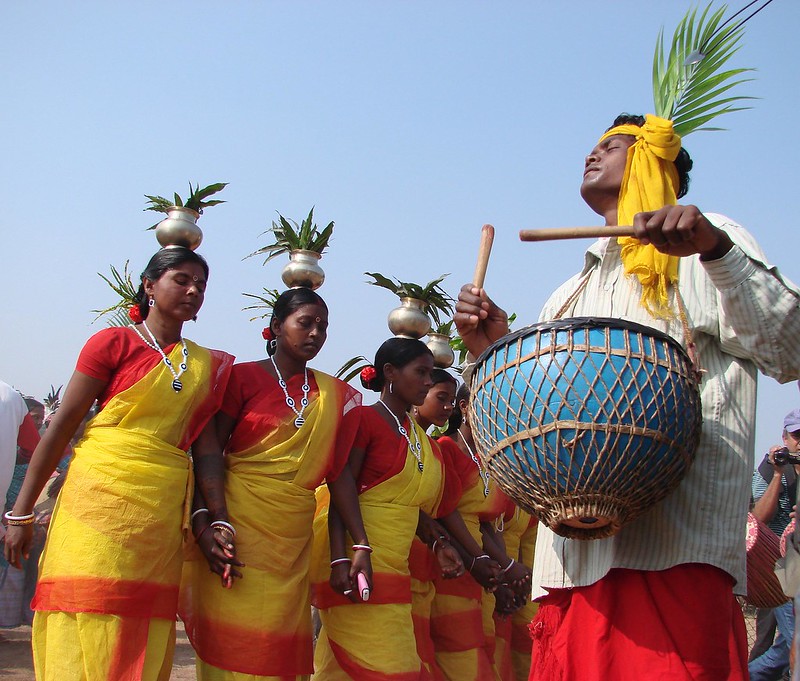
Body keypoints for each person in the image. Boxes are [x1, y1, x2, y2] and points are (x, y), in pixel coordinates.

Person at [455, 113, 800, 680]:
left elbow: (789, 347)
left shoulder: (708, 249)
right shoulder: (568, 296)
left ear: (651, 162)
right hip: (569, 569)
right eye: (591, 146)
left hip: (674, 555)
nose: (592, 154)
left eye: (612, 146)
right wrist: (491, 352)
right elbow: (523, 434)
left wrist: (713, 250)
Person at [3, 246, 235, 680]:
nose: (193, 290)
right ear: (149, 285)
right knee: (86, 604)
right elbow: (59, 430)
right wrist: (20, 514)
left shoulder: (203, 364)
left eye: (201, 285)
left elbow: (205, 450)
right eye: (181, 280)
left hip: (159, 517)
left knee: (140, 617)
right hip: (95, 506)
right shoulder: (113, 343)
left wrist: (218, 518)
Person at [179, 287, 369, 680]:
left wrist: (359, 544)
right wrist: (207, 522)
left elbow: (339, 478)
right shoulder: (242, 378)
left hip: (291, 544)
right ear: (275, 328)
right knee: (235, 649)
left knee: (278, 654)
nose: (316, 333)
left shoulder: (331, 395)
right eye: (305, 323)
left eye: (323, 326)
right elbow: (209, 455)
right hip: (237, 531)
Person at [310, 338, 462, 680]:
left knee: (355, 668)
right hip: (360, 563)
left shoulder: (416, 436)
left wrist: (439, 544)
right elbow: (340, 488)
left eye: (429, 373)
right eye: (420, 372)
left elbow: (409, 506)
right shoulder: (364, 419)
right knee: (391, 667)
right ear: (390, 373)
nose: (427, 380)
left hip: (396, 566)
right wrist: (345, 555)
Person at [431, 381, 528, 681]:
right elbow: (445, 513)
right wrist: (483, 562)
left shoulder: (488, 458)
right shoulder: (446, 448)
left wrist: (501, 572)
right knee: (462, 658)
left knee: (486, 651)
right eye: (488, 405)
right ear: (464, 407)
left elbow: (488, 521)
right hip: (457, 565)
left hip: (484, 571)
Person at [749, 409, 800, 680]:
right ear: (785, 438)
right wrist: (779, 474)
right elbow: (759, 518)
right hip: (777, 567)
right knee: (773, 640)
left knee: (783, 650)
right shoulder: (771, 467)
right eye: (796, 436)